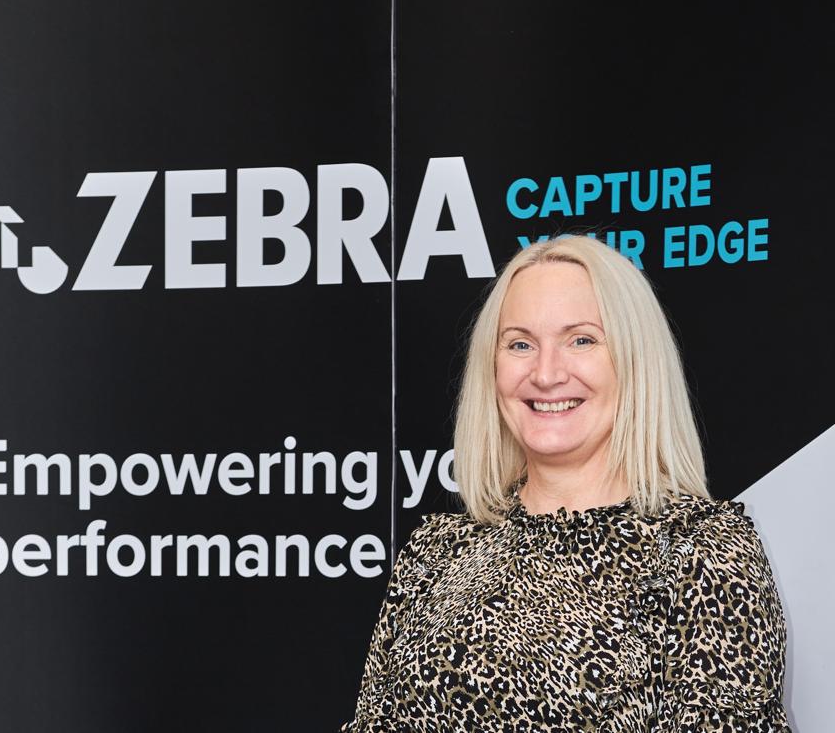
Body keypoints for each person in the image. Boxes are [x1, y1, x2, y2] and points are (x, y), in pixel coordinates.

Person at [339, 235, 791, 732]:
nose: (546, 373)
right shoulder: (438, 549)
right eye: (520, 344)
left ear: (634, 361)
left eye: (581, 340)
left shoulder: (701, 550)